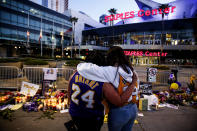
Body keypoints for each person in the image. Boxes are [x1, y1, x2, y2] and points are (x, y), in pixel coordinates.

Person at [67, 51, 137, 131]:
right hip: (92, 117)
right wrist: (133, 83)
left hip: (74, 113)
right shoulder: (103, 83)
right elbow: (119, 101)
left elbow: (69, 95)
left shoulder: (74, 74)